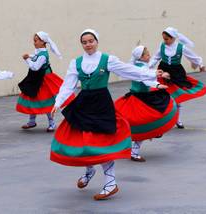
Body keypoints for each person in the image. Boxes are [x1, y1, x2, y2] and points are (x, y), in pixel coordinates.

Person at [50, 29, 166, 200]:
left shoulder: (107, 59)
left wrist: (149, 74)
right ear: (81, 44)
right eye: (84, 42)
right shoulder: (76, 62)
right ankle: (89, 170)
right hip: (83, 103)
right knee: (80, 140)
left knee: (102, 142)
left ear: (97, 41)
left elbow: (128, 70)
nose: (88, 44)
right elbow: (68, 85)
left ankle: (110, 183)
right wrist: (57, 103)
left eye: (91, 41)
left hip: (101, 104)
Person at [115, 45, 178, 162]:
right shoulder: (140, 68)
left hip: (140, 96)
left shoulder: (139, 65)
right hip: (140, 99)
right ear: (141, 57)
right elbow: (146, 79)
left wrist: (160, 74)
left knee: (149, 120)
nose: (150, 56)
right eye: (147, 55)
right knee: (144, 122)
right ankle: (134, 151)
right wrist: (158, 85)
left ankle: (154, 132)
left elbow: (149, 72)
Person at [149, 27, 206, 129]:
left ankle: (177, 120)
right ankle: (163, 119)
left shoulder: (181, 48)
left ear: (173, 38)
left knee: (177, 98)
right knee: (163, 95)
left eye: (166, 39)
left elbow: (192, 56)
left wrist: (200, 64)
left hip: (176, 73)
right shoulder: (162, 46)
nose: (164, 41)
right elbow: (155, 57)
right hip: (163, 72)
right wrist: (148, 67)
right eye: (164, 39)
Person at [16, 31, 74, 132]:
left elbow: (35, 67)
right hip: (37, 78)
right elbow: (35, 56)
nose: (34, 43)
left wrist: (26, 59)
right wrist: (29, 56)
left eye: (36, 40)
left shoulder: (43, 55)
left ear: (43, 42)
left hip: (44, 80)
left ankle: (52, 123)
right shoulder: (39, 52)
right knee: (32, 97)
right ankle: (32, 121)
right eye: (34, 41)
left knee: (47, 100)